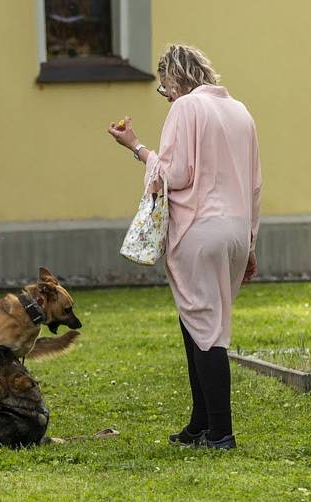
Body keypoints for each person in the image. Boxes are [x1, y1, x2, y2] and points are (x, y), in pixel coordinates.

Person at [107, 44, 261, 449]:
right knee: (196, 321)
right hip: (235, 232)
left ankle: (222, 432)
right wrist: (251, 242)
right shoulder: (241, 112)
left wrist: (136, 147)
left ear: (174, 78)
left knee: (207, 331)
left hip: (199, 230)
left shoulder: (186, 108)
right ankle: (200, 424)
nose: (167, 96)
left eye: (164, 88)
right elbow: (255, 185)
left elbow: (175, 173)